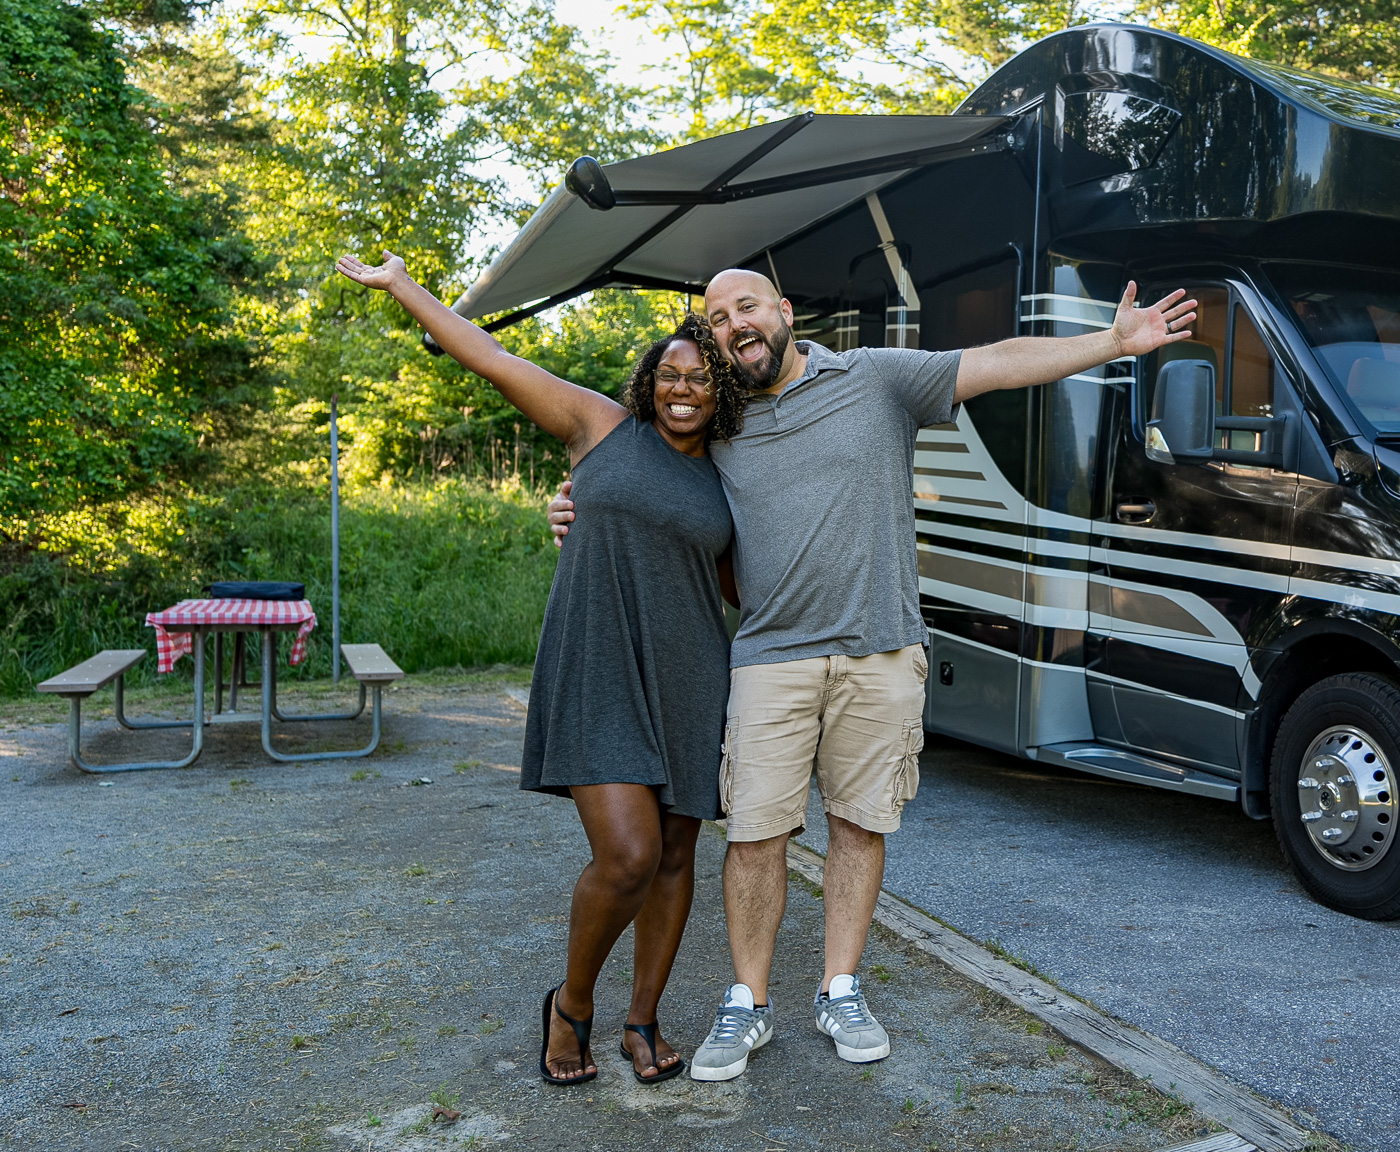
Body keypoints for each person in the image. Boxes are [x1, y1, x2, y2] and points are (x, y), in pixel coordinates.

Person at [548, 268, 1195, 1082]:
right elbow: (642, 479)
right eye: (716, 318)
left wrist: (1110, 343)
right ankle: (748, 1002)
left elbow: (996, 361)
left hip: (881, 647)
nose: (734, 324)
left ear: (785, 311)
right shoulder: (720, 419)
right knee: (754, 835)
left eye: (747, 306)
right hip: (769, 656)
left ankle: (841, 990)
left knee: (859, 825)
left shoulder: (877, 378)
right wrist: (575, 505)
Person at [337, 250, 742, 1087]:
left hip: (692, 675)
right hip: (597, 663)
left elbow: (743, 582)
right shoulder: (600, 427)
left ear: (721, 391)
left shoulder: (732, 478)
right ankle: (572, 1005)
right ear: (648, 382)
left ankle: (642, 1020)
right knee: (628, 856)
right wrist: (404, 286)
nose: (682, 388)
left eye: (700, 378)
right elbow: (490, 357)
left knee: (676, 856)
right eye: (669, 374)